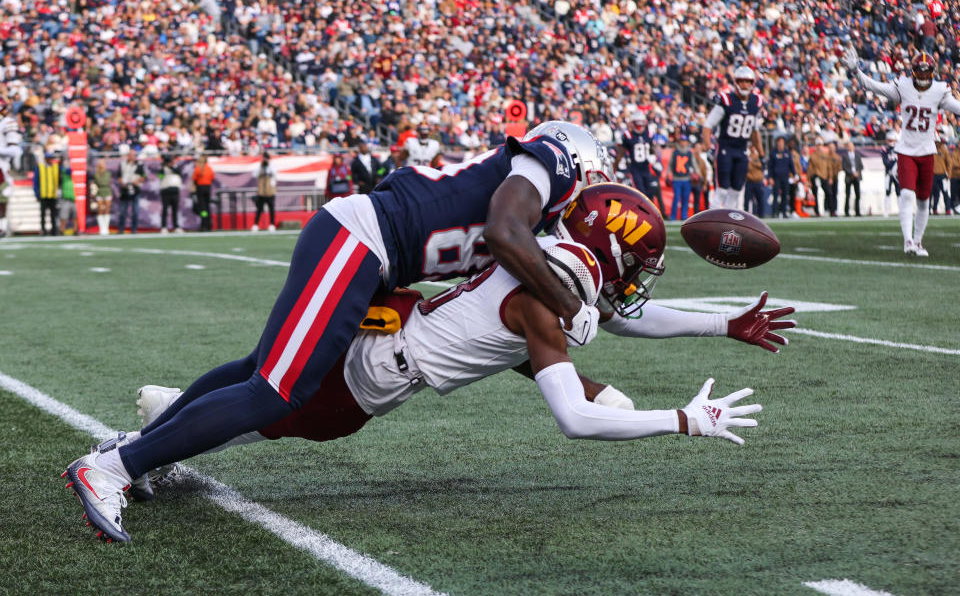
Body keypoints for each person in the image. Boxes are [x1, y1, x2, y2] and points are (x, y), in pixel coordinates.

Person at [82, 185, 794, 518]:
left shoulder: (553, 259)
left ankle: (151, 433)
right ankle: (138, 448)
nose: (641, 276)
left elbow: (620, 318)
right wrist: (684, 420)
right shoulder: (549, 298)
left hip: (394, 326)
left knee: (255, 377)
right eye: (638, 260)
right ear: (610, 251)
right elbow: (575, 419)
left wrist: (722, 325)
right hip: (373, 377)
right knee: (262, 408)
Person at [63, 121, 613, 542]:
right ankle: (110, 469)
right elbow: (501, 229)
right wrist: (570, 304)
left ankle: (139, 449)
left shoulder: (530, 218)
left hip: (371, 255)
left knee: (263, 369)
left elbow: (508, 318)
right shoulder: (550, 163)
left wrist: (580, 371)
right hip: (362, 241)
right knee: (279, 390)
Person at [845, 48, 960, 255]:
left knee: (924, 199)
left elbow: (956, 107)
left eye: (927, 72)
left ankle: (918, 241)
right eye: (921, 72)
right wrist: (856, 72)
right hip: (906, 149)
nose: (924, 76)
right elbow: (874, 86)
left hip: (927, 150)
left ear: (932, 73)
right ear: (914, 72)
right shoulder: (903, 87)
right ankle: (908, 241)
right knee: (907, 194)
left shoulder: (938, 91)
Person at [702, 66, 765, 210]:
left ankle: (728, 223)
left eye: (747, 81)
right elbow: (708, 125)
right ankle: (713, 219)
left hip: (742, 150)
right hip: (725, 148)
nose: (744, 84)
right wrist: (707, 146)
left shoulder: (755, 102)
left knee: (736, 190)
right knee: (722, 189)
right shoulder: (727, 100)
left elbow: (755, 131)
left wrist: (761, 153)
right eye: (741, 81)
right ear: (736, 82)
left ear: (752, 83)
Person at [615, 112, 660, 197]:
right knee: (640, 195)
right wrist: (615, 167)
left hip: (646, 168)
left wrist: (656, 160)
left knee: (650, 195)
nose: (640, 126)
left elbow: (652, 150)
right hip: (635, 169)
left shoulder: (648, 134)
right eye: (638, 123)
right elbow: (621, 153)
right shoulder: (628, 135)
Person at [0, 96, 23, 238]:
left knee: (1, 200)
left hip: (1, 168)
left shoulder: (7, 123)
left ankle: (1, 228)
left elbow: (15, 150)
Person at [116, 149, 145, 234]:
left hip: (135, 188)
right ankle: (121, 229)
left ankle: (134, 229)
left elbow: (144, 176)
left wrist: (137, 181)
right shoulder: (123, 164)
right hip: (125, 189)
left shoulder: (139, 165)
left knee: (135, 211)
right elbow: (119, 176)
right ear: (128, 156)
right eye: (131, 155)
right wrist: (122, 182)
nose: (132, 157)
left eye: (134, 155)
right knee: (122, 211)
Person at [33, 149, 60, 235]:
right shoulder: (40, 168)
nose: (49, 160)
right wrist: (37, 193)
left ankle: (54, 230)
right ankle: (43, 230)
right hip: (43, 194)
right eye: (48, 158)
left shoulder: (56, 167)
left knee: (53, 214)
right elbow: (35, 182)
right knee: (43, 214)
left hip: (52, 194)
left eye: (50, 158)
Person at [767, 137, 795, 218]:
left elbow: (791, 164)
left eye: (782, 142)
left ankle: (784, 212)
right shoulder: (773, 153)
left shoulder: (787, 152)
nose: (780, 144)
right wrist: (770, 177)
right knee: (775, 195)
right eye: (779, 142)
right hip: (776, 177)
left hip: (785, 177)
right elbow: (770, 166)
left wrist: (795, 174)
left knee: (785, 195)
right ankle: (774, 213)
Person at [668, 135, 694, 221]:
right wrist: (668, 174)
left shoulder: (689, 153)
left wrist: (698, 174)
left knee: (685, 198)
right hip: (676, 178)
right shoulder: (675, 152)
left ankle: (684, 216)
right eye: (682, 141)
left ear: (687, 142)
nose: (683, 142)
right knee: (676, 198)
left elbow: (694, 165)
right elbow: (670, 164)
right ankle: (673, 216)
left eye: (684, 141)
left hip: (687, 179)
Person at [251, 151, 277, 231]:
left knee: (271, 209)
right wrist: (261, 166)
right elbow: (254, 174)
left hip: (270, 191)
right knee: (259, 209)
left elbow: (274, 174)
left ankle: (272, 224)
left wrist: (268, 165)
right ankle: (256, 224)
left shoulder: (272, 166)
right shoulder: (260, 167)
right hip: (262, 191)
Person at [158, 153, 183, 234]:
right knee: (165, 209)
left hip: (175, 190)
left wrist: (171, 166)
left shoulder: (176, 167)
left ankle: (176, 226)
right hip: (166, 190)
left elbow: (178, 172)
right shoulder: (163, 168)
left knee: (175, 210)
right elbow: (160, 176)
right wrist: (164, 166)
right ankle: (164, 226)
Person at [191, 154, 214, 232]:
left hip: (200, 188)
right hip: (207, 188)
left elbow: (194, 179)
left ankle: (204, 224)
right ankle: (208, 224)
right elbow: (212, 178)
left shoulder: (198, 169)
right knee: (207, 207)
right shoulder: (209, 168)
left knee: (203, 208)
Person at [880, 130, 900, 218]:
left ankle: (901, 210)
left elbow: (900, 162)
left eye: (892, 140)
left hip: (896, 174)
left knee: (899, 192)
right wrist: (893, 166)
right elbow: (885, 162)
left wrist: (895, 167)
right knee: (887, 192)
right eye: (889, 140)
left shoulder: (899, 149)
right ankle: (887, 210)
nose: (891, 142)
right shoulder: (885, 150)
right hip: (888, 173)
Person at [841, 141, 864, 217]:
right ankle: (846, 211)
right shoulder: (845, 156)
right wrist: (851, 173)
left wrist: (857, 173)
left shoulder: (857, 155)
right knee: (848, 195)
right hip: (849, 177)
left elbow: (861, 166)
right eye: (849, 146)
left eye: (852, 146)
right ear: (847, 147)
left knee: (858, 195)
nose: (850, 147)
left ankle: (857, 211)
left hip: (857, 177)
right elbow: (844, 167)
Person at [91, 159, 113, 235]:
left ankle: (106, 228)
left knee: (107, 209)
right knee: (100, 209)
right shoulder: (96, 174)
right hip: (99, 191)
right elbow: (98, 182)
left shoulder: (108, 173)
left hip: (107, 191)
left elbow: (107, 181)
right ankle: (101, 228)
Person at [930, 139, 951, 215]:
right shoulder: (931, 150)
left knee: (945, 193)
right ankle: (932, 209)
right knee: (932, 193)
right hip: (933, 175)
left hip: (942, 175)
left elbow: (949, 162)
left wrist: (949, 174)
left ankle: (948, 209)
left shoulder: (944, 150)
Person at [690, 137, 710, 214]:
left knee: (697, 200)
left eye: (699, 148)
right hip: (690, 181)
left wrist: (705, 184)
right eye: (697, 148)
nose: (698, 149)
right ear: (694, 148)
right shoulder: (690, 157)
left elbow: (705, 173)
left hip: (698, 183)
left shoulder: (702, 161)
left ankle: (696, 215)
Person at [743, 152, 766, 218]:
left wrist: (752, 162)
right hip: (749, 181)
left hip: (758, 181)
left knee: (760, 200)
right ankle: (745, 216)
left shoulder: (759, 156)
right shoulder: (747, 156)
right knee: (747, 200)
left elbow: (762, 165)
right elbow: (746, 167)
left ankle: (761, 215)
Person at [59, 159, 77, 235]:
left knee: (76, 216)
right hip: (66, 197)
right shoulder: (64, 171)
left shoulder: (76, 174)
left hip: (75, 197)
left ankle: (76, 230)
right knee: (64, 216)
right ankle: (62, 230)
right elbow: (68, 171)